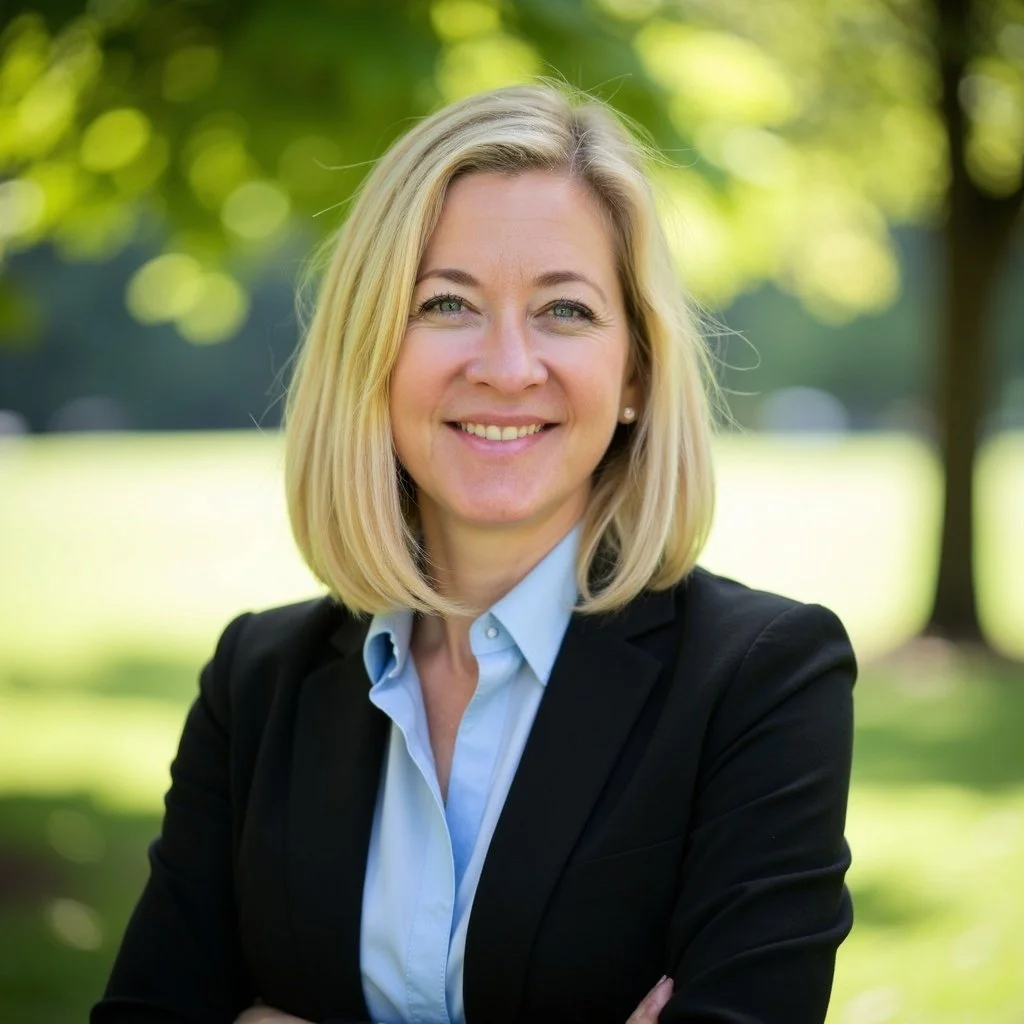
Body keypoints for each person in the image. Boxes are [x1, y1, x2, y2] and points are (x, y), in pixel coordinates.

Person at [91, 84, 856, 1024]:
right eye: (447, 303)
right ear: (371, 350)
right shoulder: (256, 685)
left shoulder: (761, 678)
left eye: (565, 311)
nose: (505, 365)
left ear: (636, 375)